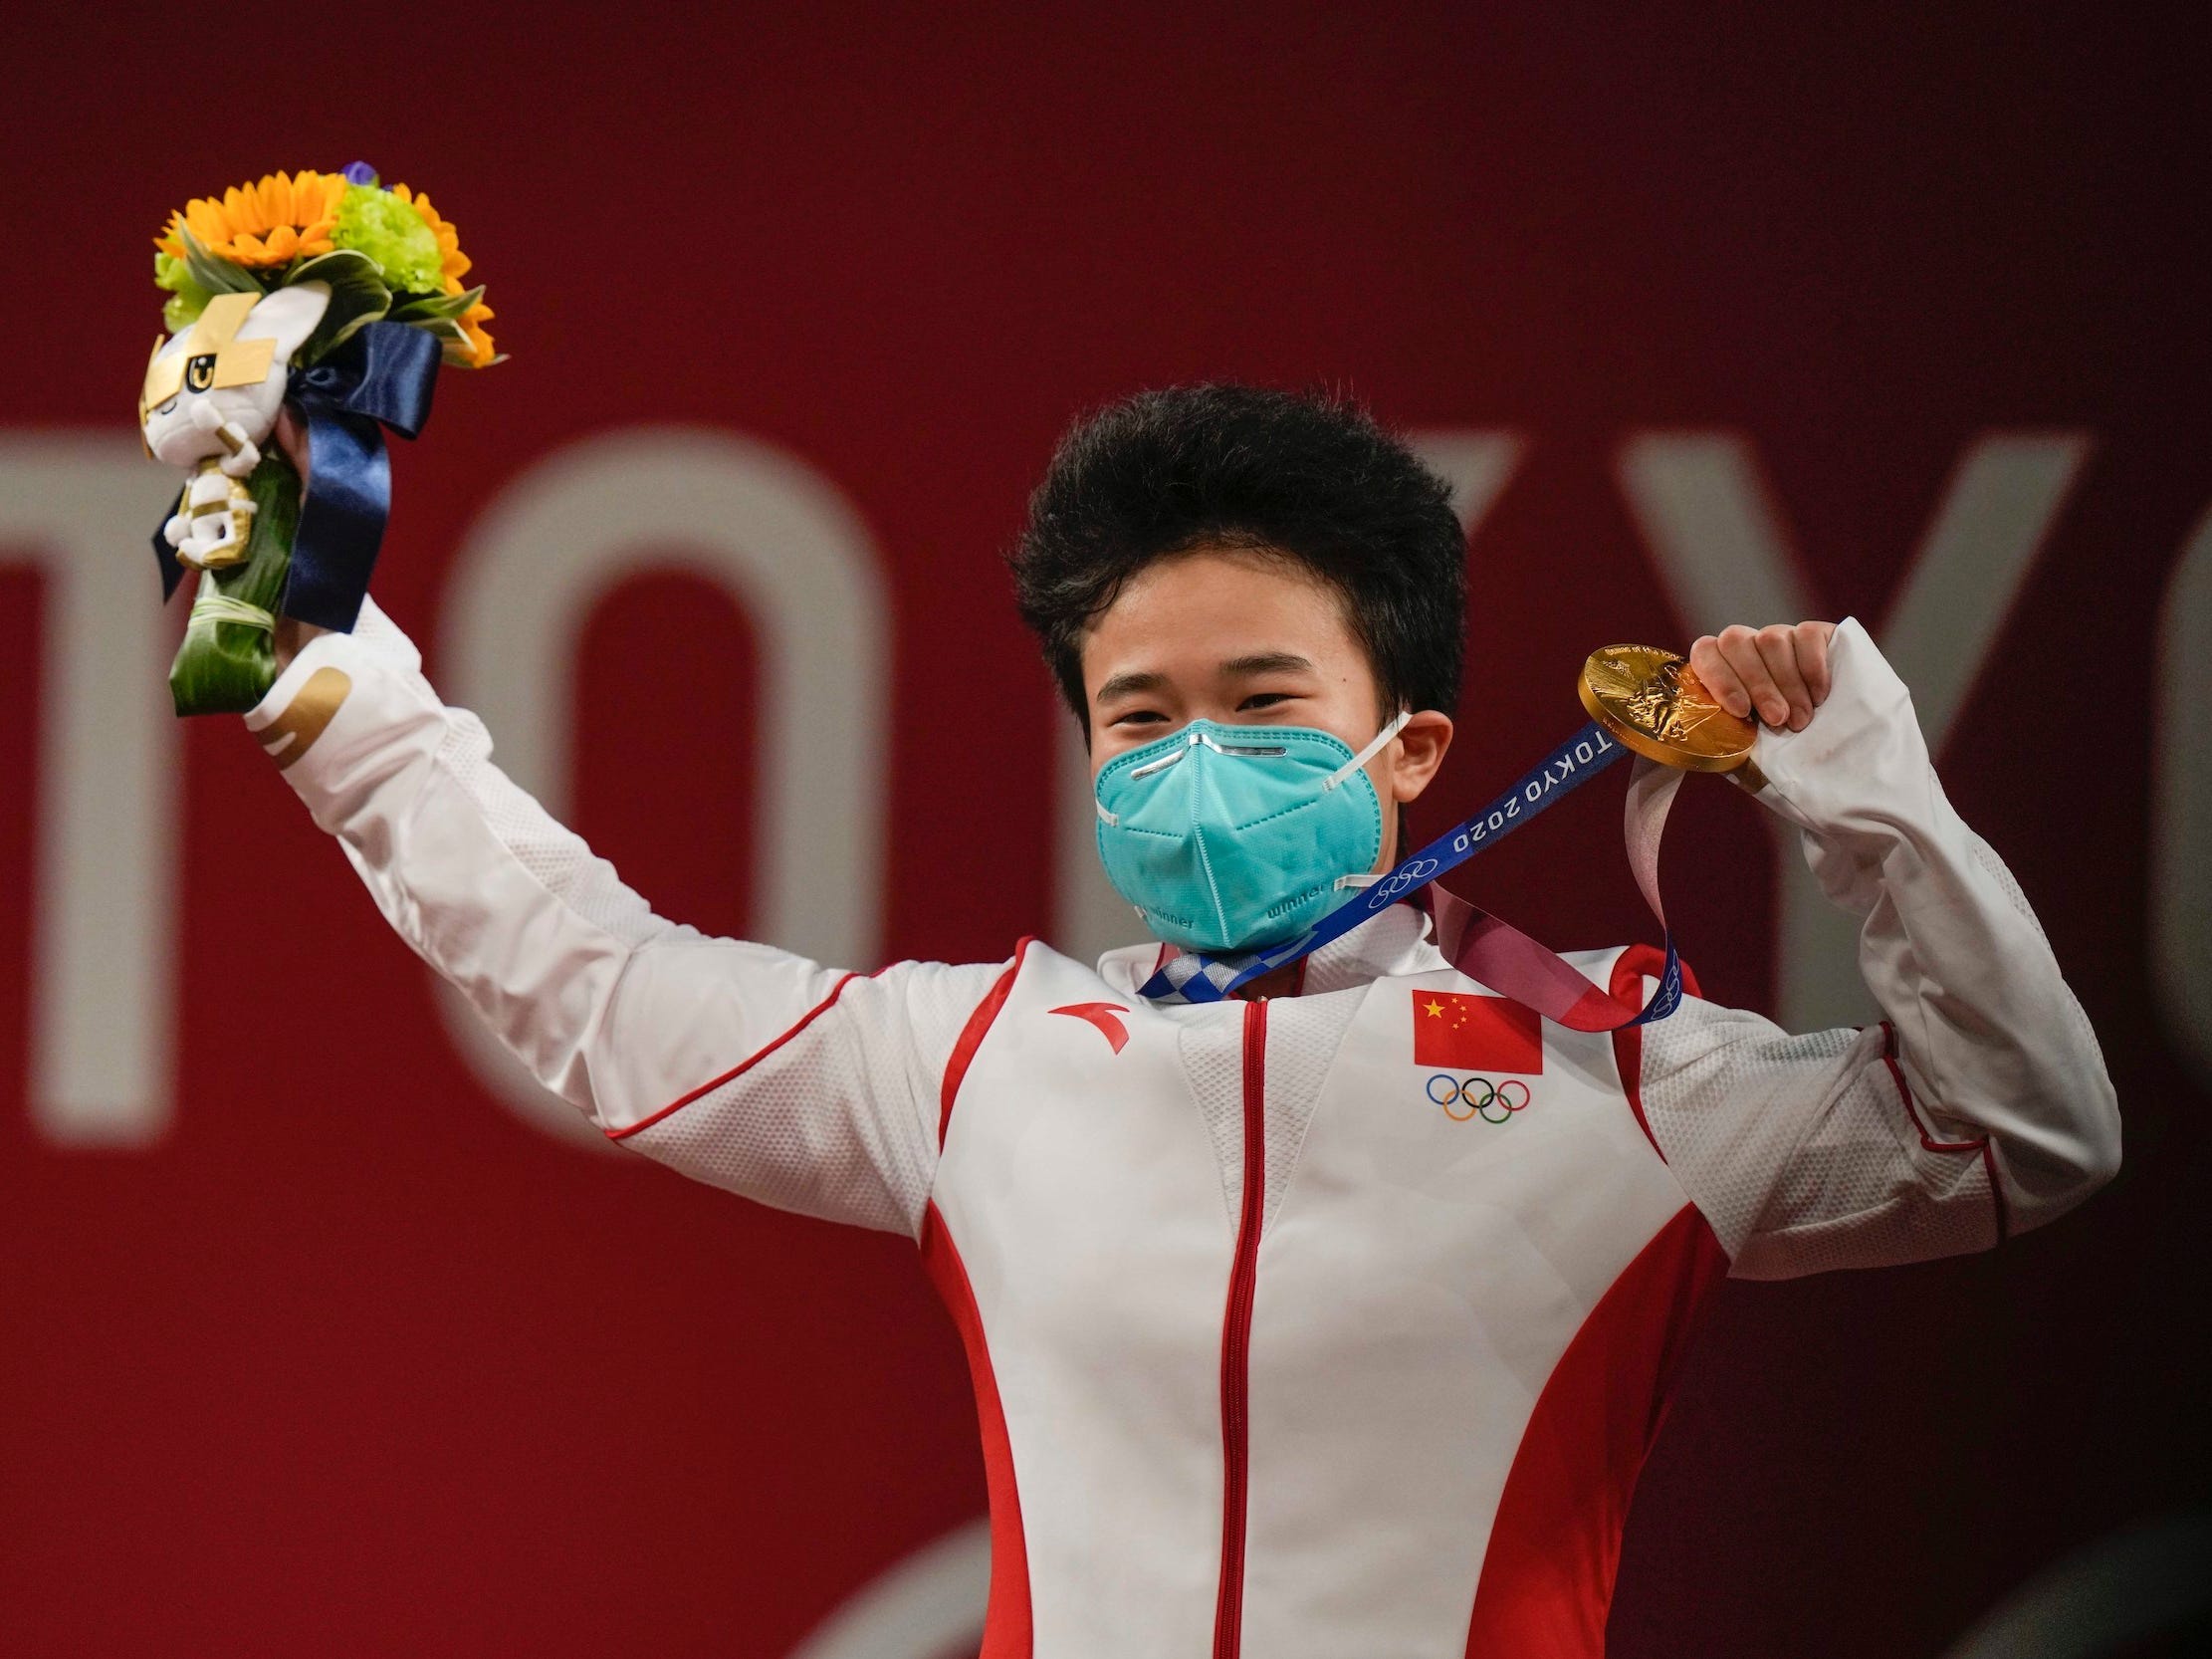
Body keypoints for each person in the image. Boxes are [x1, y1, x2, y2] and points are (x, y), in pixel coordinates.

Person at [248, 383, 2118, 1658]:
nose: (1195, 758)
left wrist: (1859, 789)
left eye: (1264, 698)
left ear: (1414, 750)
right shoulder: (972, 1063)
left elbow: (2023, 1132)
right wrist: (328, 666)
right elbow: (595, 980)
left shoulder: (1626, 1080)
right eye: (1139, 716)